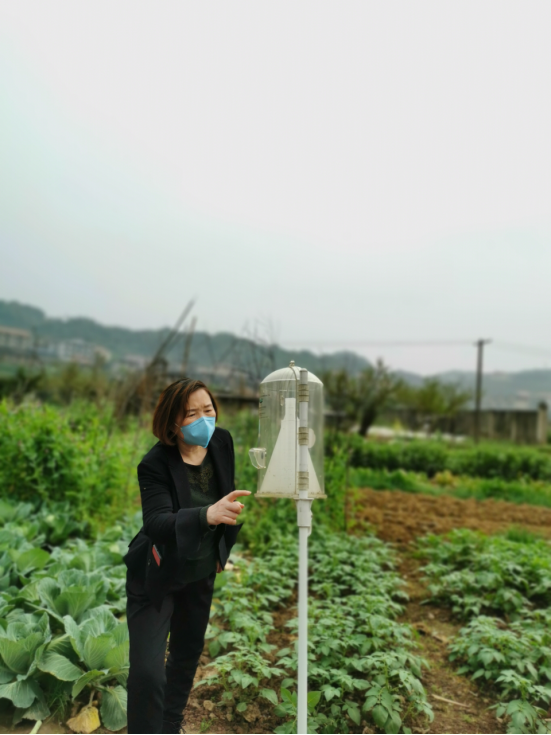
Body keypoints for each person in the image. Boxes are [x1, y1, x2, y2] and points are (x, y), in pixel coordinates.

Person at [123, 378, 250, 734]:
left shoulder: (222, 441)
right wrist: (206, 514)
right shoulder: (155, 464)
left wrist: (220, 552)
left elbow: (226, 495)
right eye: (191, 414)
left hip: (200, 572)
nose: (204, 420)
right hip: (157, 576)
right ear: (172, 423)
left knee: (186, 655)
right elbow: (157, 523)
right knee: (148, 672)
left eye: (208, 410)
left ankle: (170, 725)